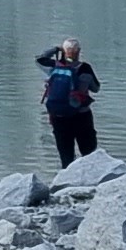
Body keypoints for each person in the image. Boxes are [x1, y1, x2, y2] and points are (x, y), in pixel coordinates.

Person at [39, 39, 100, 167]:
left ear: (64, 51)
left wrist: (56, 49)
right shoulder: (85, 69)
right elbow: (96, 88)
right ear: (78, 52)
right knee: (88, 153)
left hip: (59, 117)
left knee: (66, 156)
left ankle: (66, 182)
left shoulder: (54, 66)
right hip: (81, 116)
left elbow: (39, 59)